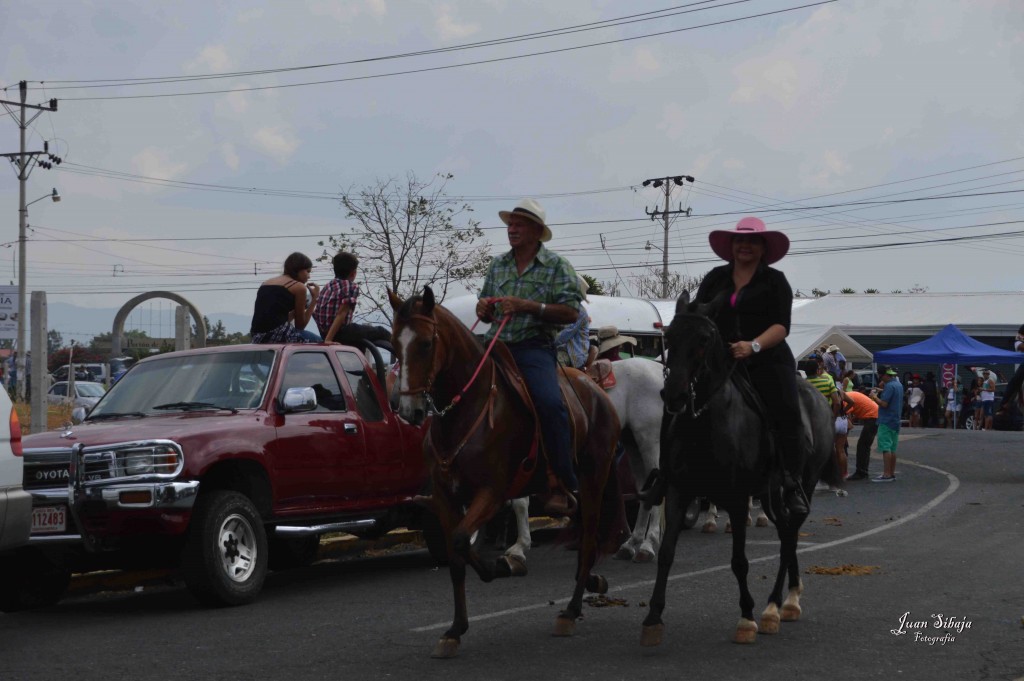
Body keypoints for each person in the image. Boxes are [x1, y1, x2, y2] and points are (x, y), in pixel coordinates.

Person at [641, 216, 809, 517]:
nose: (745, 245)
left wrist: (752, 345)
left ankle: (790, 481)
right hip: (719, 357)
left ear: (763, 248)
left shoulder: (775, 281)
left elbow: (782, 326)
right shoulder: (715, 277)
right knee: (676, 397)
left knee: (786, 408)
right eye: (740, 240)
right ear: (731, 245)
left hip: (766, 356)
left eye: (752, 241)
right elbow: (700, 313)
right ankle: (666, 474)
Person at [476, 198, 583, 516]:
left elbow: (570, 312)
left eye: (519, 224)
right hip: (495, 345)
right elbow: (486, 310)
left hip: (533, 348)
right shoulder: (498, 265)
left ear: (537, 231)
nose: (512, 229)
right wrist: (484, 308)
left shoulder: (556, 266)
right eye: (510, 224)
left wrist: (528, 306)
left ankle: (562, 482)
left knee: (550, 404)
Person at [313, 251, 392, 350]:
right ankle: (401, 353)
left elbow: (317, 312)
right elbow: (341, 313)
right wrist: (328, 340)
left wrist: (325, 336)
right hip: (340, 331)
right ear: (353, 273)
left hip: (324, 331)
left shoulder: (328, 286)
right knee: (381, 331)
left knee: (359, 344)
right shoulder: (351, 286)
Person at [250, 252, 320, 343]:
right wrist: (314, 299)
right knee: (320, 342)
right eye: (308, 271)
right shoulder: (299, 287)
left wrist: (297, 311)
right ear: (298, 269)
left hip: (256, 337)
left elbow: (273, 318)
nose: (309, 276)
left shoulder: (266, 283)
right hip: (277, 334)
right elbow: (300, 326)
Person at [869, 368, 903, 482]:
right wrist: (880, 390)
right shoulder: (898, 385)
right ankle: (891, 473)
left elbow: (884, 404)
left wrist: (874, 397)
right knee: (892, 448)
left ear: (884, 375)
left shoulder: (889, 386)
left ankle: (886, 474)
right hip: (895, 420)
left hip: (886, 420)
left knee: (885, 447)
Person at [555, 275, 592, 370]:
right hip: (564, 350)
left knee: (554, 364)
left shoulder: (578, 312)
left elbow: (564, 335)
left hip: (575, 355)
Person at [843, 388, 878, 481]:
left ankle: (861, 472)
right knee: (864, 445)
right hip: (874, 416)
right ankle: (862, 471)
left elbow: (848, 420)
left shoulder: (844, 399)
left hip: (873, 417)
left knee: (863, 445)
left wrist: (844, 437)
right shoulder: (848, 394)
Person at [998, 323, 1024, 416]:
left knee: (1015, 382)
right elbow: (1020, 346)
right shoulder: (1018, 339)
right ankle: (1005, 404)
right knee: (1015, 382)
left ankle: (1006, 404)